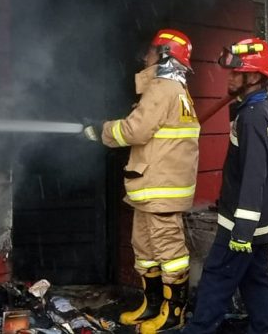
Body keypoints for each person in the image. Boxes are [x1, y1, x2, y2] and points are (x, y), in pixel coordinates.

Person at [84, 29, 200, 333]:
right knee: (146, 249)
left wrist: (102, 129)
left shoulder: (163, 88)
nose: (144, 56)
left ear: (164, 55)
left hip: (161, 188)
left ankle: (173, 314)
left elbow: (135, 130)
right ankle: (152, 305)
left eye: (150, 51)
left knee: (169, 253)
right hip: (154, 186)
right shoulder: (175, 90)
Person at [182, 37, 268, 334]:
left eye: (237, 73)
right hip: (260, 223)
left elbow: (254, 175)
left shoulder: (252, 118)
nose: (229, 77)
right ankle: (264, 329)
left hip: (241, 225)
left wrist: (242, 231)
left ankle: (199, 330)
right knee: (255, 280)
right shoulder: (263, 110)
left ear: (254, 77)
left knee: (216, 280)